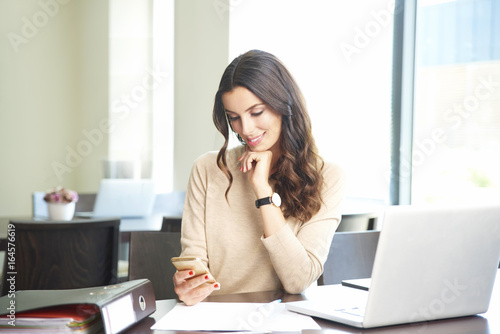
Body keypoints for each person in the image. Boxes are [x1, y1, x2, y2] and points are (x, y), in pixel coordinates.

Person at [173, 50, 345, 306]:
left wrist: (262, 192)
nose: (246, 129)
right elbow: (195, 265)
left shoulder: (328, 177)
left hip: (283, 323)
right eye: (234, 118)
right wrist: (189, 286)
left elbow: (299, 280)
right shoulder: (208, 169)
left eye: (256, 112)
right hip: (217, 321)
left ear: (283, 106)